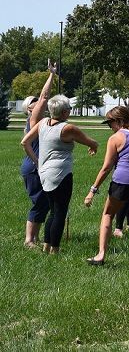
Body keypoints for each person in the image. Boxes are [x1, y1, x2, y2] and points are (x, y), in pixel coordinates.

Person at [20, 94, 99, 254]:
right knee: (60, 212)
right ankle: (55, 250)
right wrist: (93, 146)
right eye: (69, 109)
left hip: (44, 173)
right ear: (63, 113)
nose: (70, 111)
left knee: (53, 211)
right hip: (61, 174)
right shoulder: (67, 128)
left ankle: (46, 246)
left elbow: (25, 142)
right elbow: (91, 142)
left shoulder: (43, 123)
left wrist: (36, 161)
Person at [83, 106, 129, 266]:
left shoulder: (115, 138)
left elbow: (106, 168)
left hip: (121, 182)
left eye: (110, 123)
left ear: (120, 121)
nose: (109, 127)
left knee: (108, 214)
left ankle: (101, 254)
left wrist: (93, 190)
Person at [19, 60, 57, 248]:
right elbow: (44, 96)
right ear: (29, 109)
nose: (38, 102)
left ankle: (35, 238)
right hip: (33, 168)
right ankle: (29, 240)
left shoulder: (41, 121)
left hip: (38, 167)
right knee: (39, 202)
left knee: (44, 203)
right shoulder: (33, 119)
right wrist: (51, 74)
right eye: (33, 102)